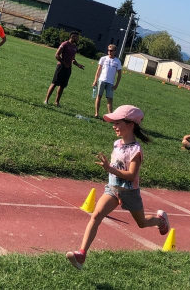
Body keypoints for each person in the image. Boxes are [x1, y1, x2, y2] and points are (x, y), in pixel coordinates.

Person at [66, 105, 170, 270]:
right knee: (96, 216)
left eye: (117, 123)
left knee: (142, 223)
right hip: (113, 189)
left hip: (130, 193)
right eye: (113, 123)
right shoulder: (117, 144)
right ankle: (81, 255)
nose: (114, 126)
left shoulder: (136, 150)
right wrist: (111, 173)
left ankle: (160, 220)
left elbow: (131, 175)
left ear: (130, 125)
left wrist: (110, 169)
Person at [44, 31, 85, 107]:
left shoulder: (75, 47)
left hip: (68, 68)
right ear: (72, 37)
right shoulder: (65, 44)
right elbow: (57, 55)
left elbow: (73, 59)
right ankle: (46, 100)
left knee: (62, 86)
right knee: (54, 83)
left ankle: (57, 102)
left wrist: (78, 65)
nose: (78, 39)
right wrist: (64, 63)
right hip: (61, 67)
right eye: (76, 37)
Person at [92, 44, 122, 117]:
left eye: (111, 50)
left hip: (110, 83)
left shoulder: (117, 61)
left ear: (115, 51)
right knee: (99, 96)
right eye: (108, 50)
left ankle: (110, 115)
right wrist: (95, 80)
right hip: (102, 80)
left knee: (110, 99)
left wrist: (116, 84)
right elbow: (98, 70)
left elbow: (119, 74)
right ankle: (96, 113)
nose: (109, 52)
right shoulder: (103, 58)